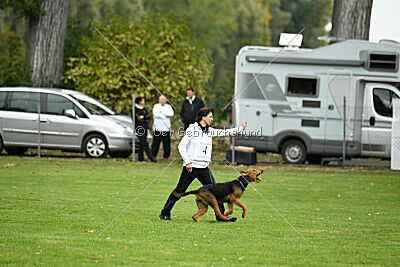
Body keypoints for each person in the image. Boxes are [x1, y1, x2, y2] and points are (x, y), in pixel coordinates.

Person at [159, 107, 247, 221]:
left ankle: (221, 216)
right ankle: (165, 212)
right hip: (191, 168)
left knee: (215, 191)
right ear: (203, 117)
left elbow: (224, 132)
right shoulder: (192, 129)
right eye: (210, 117)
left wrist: (241, 128)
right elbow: (181, 146)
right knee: (179, 191)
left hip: (204, 168)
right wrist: (188, 162)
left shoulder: (209, 130)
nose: (212, 119)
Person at [152, 95, 174, 160]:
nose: (162, 101)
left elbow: (171, 114)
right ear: (159, 100)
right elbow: (156, 114)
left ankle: (166, 157)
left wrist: (162, 113)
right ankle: (153, 156)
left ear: (166, 100)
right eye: (161, 99)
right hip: (157, 128)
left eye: (164, 99)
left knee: (166, 144)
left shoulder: (169, 107)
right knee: (155, 143)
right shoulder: (156, 106)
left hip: (166, 128)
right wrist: (165, 115)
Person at [134, 97, 156, 162]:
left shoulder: (144, 109)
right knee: (145, 142)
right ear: (140, 102)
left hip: (145, 127)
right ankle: (151, 157)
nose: (144, 102)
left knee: (142, 143)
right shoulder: (135, 109)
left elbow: (148, 117)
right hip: (139, 128)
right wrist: (143, 117)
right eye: (143, 100)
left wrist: (144, 117)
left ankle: (140, 158)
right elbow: (138, 118)